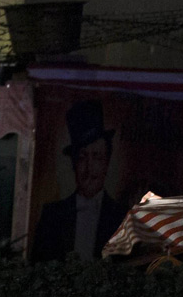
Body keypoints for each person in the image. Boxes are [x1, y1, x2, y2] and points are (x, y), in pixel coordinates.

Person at [31, 99, 130, 262]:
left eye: (97, 157)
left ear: (107, 162)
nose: (89, 169)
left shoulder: (122, 218)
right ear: (73, 163)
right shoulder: (52, 216)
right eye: (83, 157)